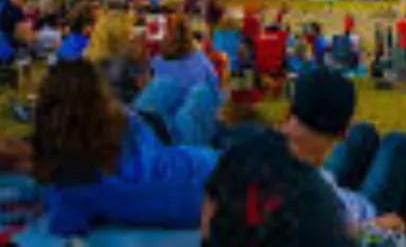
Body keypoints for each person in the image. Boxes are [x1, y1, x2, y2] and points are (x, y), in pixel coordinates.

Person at [32, 60, 218, 236]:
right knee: (196, 90)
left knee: (182, 91)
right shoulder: (123, 127)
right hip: (202, 166)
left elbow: (64, 225)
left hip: (201, 188)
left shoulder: (73, 186)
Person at [233, 68, 406, 238]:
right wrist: (376, 226)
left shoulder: (260, 150)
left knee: (363, 133)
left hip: (336, 196)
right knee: (397, 144)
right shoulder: (298, 193)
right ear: (342, 132)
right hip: (359, 215)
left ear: (291, 111)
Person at [203, 113, 354, 246]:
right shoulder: (317, 203)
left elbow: (212, 196)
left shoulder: (244, 154)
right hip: (349, 212)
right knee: (364, 134)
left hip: (329, 199)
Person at [133, 14, 222, 146]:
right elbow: (215, 89)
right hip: (194, 131)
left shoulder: (158, 64)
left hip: (163, 134)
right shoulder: (201, 61)